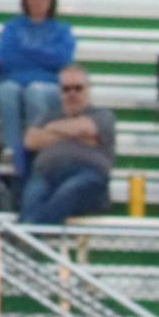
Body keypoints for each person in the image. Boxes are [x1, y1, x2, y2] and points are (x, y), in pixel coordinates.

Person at [0, 0, 76, 198]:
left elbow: (63, 59)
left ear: (51, 0)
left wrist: (26, 54)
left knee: (34, 92)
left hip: (48, 87)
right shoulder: (12, 28)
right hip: (15, 83)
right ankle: (11, 151)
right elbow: (4, 58)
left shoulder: (62, 30)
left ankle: (35, 153)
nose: (38, 0)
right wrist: (42, 56)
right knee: (6, 92)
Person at [19, 63, 114, 227]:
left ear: (88, 90)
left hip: (88, 175)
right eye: (66, 89)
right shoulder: (48, 116)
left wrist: (50, 130)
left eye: (78, 88)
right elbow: (31, 140)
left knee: (67, 192)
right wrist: (75, 135)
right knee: (31, 198)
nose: (72, 94)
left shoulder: (103, 115)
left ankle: (27, 237)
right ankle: (28, 237)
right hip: (46, 175)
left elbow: (86, 127)